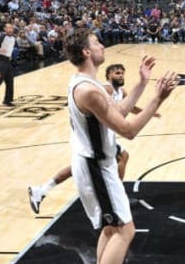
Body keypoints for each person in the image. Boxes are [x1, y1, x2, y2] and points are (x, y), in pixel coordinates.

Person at [64, 29, 177, 264]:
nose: (102, 46)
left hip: (95, 165)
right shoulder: (90, 91)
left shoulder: (88, 84)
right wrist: (158, 99)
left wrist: (142, 83)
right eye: (96, 43)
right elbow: (128, 130)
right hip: (96, 168)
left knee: (110, 228)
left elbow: (119, 111)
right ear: (86, 52)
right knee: (125, 231)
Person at [27, 63, 160, 214]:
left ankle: (42, 189)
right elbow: (117, 111)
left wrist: (148, 112)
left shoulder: (121, 92)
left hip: (99, 136)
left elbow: (129, 107)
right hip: (90, 136)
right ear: (109, 76)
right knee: (120, 157)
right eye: (117, 73)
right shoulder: (105, 89)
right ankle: (118, 195)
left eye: (122, 73)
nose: (121, 76)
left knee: (78, 168)